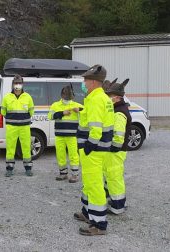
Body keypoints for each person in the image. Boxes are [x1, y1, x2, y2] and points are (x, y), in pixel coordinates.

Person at [73, 65, 114, 236]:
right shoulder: (98, 97)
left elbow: (96, 128)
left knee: (94, 185)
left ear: (94, 82)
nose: (84, 82)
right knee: (90, 183)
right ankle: (89, 213)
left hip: (93, 150)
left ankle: (98, 224)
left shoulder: (96, 99)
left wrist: (88, 145)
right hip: (98, 150)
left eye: (85, 79)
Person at [103, 79, 131, 214]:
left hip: (116, 150)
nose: (108, 97)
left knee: (114, 178)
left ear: (117, 97)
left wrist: (114, 147)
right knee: (113, 177)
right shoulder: (117, 109)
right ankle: (117, 201)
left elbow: (119, 134)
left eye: (110, 95)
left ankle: (117, 207)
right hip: (115, 151)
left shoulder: (119, 112)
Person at [48, 85, 83, 183]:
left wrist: (79, 111)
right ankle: (63, 173)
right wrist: (62, 113)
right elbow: (50, 116)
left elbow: (87, 113)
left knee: (73, 155)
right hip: (59, 135)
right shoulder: (55, 105)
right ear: (62, 96)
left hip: (72, 136)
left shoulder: (77, 105)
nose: (67, 99)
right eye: (65, 97)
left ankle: (75, 175)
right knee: (60, 154)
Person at [1, 74, 34, 177]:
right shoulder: (7, 97)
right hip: (12, 127)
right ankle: (9, 169)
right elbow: (3, 111)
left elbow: (31, 111)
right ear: (12, 84)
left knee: (26, 147)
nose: (17, 85)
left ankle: (28, 168)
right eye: (16, 83)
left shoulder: (28, 97)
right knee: (10, 148)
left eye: (19, 83)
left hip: (24, 127)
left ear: (22, 84)